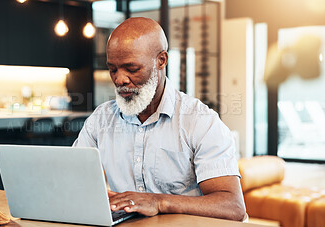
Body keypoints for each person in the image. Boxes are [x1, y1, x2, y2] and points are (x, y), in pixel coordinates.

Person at [73, 17, 246, 221]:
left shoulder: (200, 121)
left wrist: (158, 201)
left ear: (161, 61)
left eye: (132, 69)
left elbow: (233, 206)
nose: (119, 79)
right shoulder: (101, 119)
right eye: (112, 69)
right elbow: (73, 181)